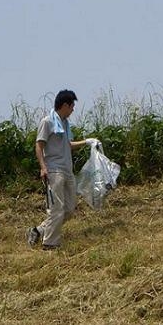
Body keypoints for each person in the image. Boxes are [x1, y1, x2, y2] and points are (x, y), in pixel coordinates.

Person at [27, 89, 98, 250]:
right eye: (72, 106)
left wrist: (87, 142)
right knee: (56, 209)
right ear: (65, 105)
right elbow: (39, 146)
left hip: (67, 171)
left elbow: (68, 145)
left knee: (69, 209)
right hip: (54, 171)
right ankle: (50, 244)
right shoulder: (47, 122)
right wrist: (43, 167)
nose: (73, 110)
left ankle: (38, 231)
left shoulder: (65, 124)